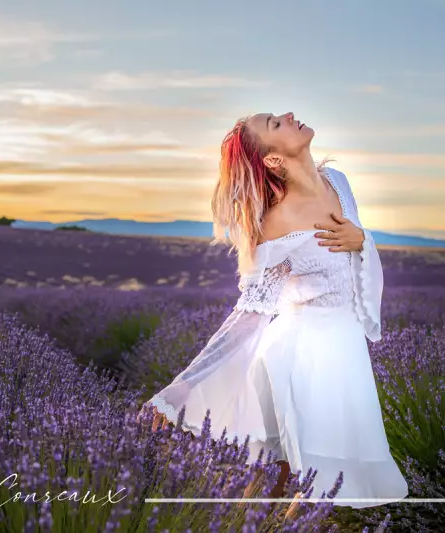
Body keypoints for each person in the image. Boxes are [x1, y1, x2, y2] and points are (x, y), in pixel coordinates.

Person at [139, 112, 409, 509]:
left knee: (289, 477)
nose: (288, 116)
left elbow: (355, 260)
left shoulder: (339, 181)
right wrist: (181, 385)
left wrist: (361, 239)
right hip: (304, 357)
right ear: (272, 160)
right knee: (311, 484)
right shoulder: (276, 222)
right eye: (275, 124)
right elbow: (251, 312)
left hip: (344, 352)